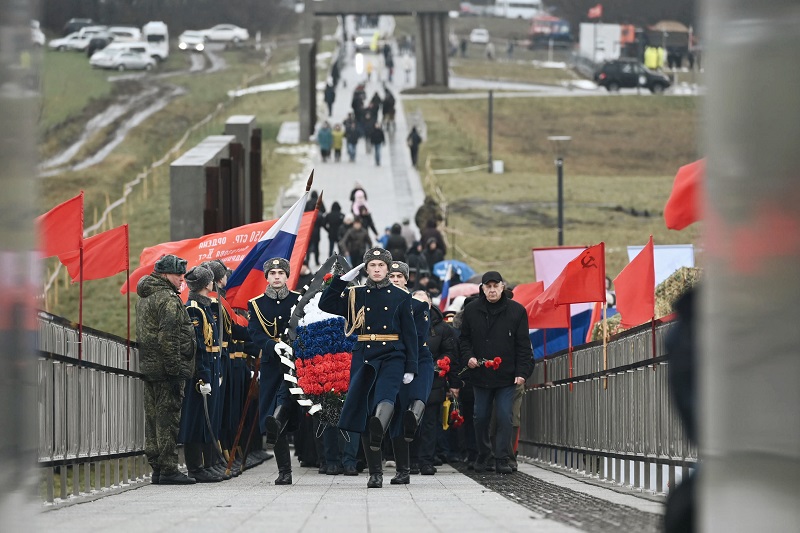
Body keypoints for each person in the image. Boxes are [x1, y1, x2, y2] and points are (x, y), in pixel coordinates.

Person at [318, 247, 419, 489]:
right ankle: (375, 473)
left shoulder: (400, 296)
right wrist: (341, 281)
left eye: (381, 265)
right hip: (364, 355)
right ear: (366, 269)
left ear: (387, 268)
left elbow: (410, 333)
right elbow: (326, 303)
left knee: (385, 398)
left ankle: (379, 427)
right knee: (364, 412)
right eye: (372, 265)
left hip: (393, 354)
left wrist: (411, 366)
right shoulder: (356, 294)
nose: (376, 269)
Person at [459, 271, 534, 474]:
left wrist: (522, 372)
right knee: (480, 416)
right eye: (488, 286)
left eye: (495, 286)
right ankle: (484, 455)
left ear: (503, 287)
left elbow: (523, 345)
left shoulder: (517, 311)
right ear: (482, 289)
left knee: (504, 416)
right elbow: (464, 340)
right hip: (480, 374)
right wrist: (469, 357)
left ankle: (502, 457)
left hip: (507, 375)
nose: (492, 290)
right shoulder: (472, 310)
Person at [137, 254, 197, 485]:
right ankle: (169, 469)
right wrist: (175, 371)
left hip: (151, 367)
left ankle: (158, 468)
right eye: (177, 274)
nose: (182, 279)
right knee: (168, 418)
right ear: (164, 275)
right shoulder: (168, 299)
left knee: (153, 418)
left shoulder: (147, 296)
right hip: (167, 368)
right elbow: (169, 338)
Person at [247, 258, 302, 485]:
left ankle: (287, 468)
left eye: (281, 272)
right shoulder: (257, 304)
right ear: (267, 277)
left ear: (287, 275)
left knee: (285, 406)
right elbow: (255, 333)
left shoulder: (299, 300)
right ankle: (284, 471)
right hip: (272, 363)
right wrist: (272, 346)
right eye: (273, 273)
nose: (277, 276)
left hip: (294, 362)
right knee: (273, 413)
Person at [385, 263, 433, 485]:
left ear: (406, 280)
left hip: (418, 359)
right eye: (391, 275)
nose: (395, 279)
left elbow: (419, 334)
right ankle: (402, 470)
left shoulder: (418, 305)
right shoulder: (381, 303)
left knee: (416, 402)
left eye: (399, 276)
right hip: (394, 362)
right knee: (396, 417)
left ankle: (413, 428)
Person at [178, 265, 227, 483]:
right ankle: (195, 467)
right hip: (200, 372)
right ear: (206, 284)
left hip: (211, 368)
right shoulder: (193, 309)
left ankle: (209, 463)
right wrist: (203, 375)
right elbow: (198, 346)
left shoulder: (204, 306)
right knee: (196, 419)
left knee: (209, 417)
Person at [413, 290, 459, 475]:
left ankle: (426, 460)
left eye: (424, 303)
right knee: (410, 421)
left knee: (430, 423)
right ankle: (411, 459)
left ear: (430, 304)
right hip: (409, 379)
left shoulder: (441, 328)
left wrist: (439, 364)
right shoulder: (402, 322)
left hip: (433, 380)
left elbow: (450, 352)